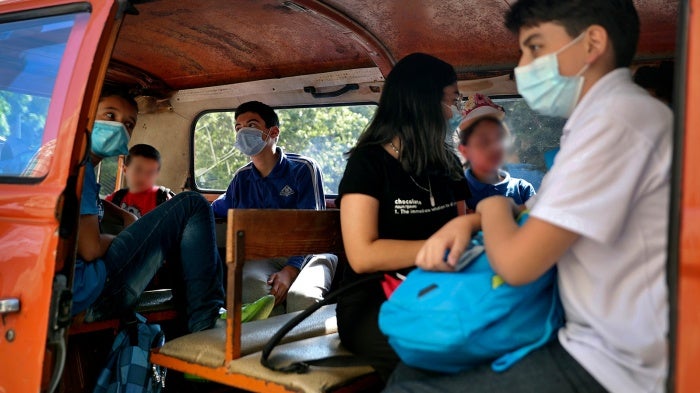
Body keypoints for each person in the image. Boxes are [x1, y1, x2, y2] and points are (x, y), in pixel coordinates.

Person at [385, 1, 671, 392]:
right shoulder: (600, 122)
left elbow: (518, 264)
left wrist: (489, 206)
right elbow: (534, 213)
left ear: (593, 43)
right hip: (586, 333)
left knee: (408, 385)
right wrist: (470, 220)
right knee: (411, 369)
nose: (523, 66)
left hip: (617, 362)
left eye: (535, 47)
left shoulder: (618, 121)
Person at [336, 53, 470, 380]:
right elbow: (362, 255)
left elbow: (464, 229)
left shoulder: (448, 165)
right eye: (452, 100)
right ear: (424, 102)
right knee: (441, 357)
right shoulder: (368, 164)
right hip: (373, 301)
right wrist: (439, 247)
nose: (453, 111)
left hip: (436, 290)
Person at [73, 86, 225, 333]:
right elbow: (90, 250)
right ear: (86, 115)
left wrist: (122, 215)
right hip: (92, 291)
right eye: (110, 116)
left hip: (80, 288)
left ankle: (196, 321)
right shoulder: (79, 168)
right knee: (192, 203)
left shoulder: (66, 162)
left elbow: (84, 205)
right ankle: (206, 324)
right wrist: (117, 238)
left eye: (129, 124)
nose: (120, 127)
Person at [211, 100, 336, 315]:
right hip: (264, 255)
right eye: (238, 128)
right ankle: (268, 348)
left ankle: (304, 348)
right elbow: (220, 207)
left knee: (302, 298)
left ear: (273, 132)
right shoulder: (242, 179)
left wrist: (291, 269)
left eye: (251, 125)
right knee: (257, 294)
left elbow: (313, 228)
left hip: (312, 252)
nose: (242, 133)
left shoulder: (303, 169)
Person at [456, 93, 536, 212]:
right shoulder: (457, 192)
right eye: (483, 141)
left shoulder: (523, 189)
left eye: (499, 137)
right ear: (464, 150)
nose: (494, 147)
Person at [105, 144, 175, 218]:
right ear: (125, 170)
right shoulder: (114, 200)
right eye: (138, 170)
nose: (143, 177)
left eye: (150, 172)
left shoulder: (165, 200)